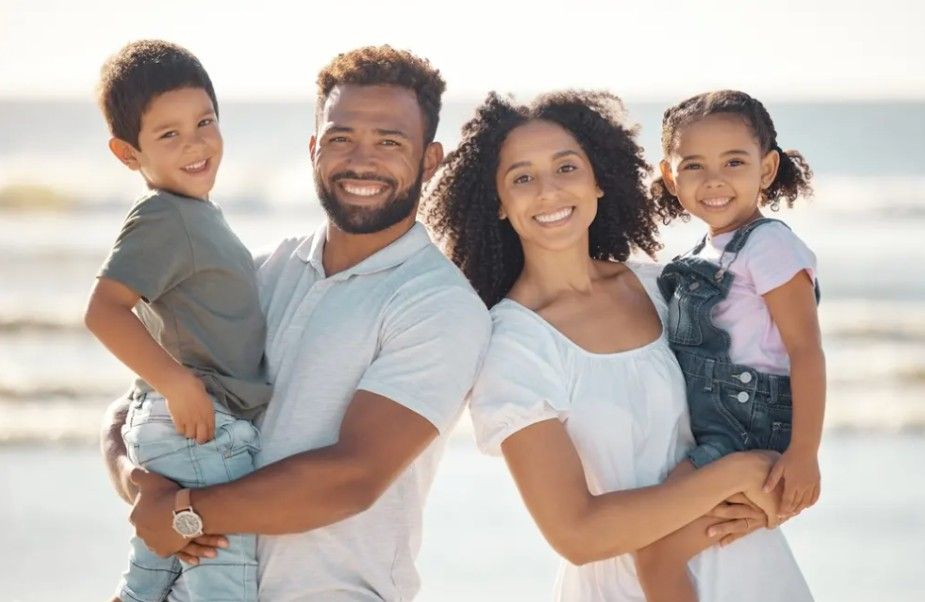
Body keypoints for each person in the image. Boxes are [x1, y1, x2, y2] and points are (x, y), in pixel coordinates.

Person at [100, 45, 491, 601]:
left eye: (390, 142)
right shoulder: (255, 271)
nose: (361, 160)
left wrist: (184, 516)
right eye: (340, 138)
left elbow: (352, 478)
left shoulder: (440, 306)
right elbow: (134, 407)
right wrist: (138, 485)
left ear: (430, 160)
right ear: (313, 149)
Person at [424, 90, 813, 601]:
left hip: (752, 568)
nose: (548, 191)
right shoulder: (513, 346)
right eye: (522, 178)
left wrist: (777, 493)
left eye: (567, 168)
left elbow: (769, 386)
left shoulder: (664, 287)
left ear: (598, 179)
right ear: (497, 201)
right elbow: (577, 535)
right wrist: (737, 474)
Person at [87, 39, 270, 602]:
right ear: (127, 153)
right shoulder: (166, 216)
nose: (195, 144)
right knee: (222, 587)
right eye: (169, 134)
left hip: (186, 427)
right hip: (201, 431)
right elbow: (103, 311)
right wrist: (178, 382)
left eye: (205, 122)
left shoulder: (190, 213)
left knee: (148, 584)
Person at [635, 89, 824, 601]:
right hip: (719, 428)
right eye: (693, 165)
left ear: (766, 170)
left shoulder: (770, 245)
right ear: (671, 177)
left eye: (733, 162)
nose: (714, 180)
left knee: (655, 549)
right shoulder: (703, 251)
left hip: (746, 429)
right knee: (663, 537)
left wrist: (804, 454)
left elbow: (806, 350)